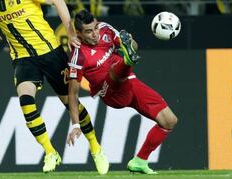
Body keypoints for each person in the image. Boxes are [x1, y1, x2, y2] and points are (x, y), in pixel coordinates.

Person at [0, 0, 109, 174]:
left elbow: (57, 0)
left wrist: (69, 30)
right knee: (26, 101)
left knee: (71, 103)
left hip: (51, 53)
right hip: (23, 58)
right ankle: (50, 152)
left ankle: (96, 148)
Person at [66, 9, 178, 174]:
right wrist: (76, 125)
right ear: (79, 34)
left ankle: (139, 161)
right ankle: (127, 60)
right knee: (115, 70)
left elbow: (135, 46)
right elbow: (72, 94)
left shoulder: (106, 29)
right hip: (111, 93)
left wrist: (130, 44)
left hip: (129, 81)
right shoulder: (78, 56)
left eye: (95, 28)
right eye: (89, 31)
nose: (95, 34)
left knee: (169, 121)